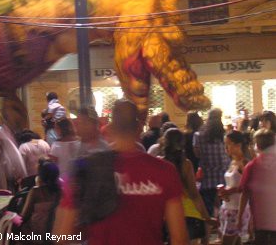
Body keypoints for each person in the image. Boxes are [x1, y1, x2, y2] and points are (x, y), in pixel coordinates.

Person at [53, 99, 189, 245]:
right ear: (139, 128)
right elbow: (179, 238)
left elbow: (61, 236)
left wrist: (86, 233)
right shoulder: (165, 171)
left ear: (109, 129)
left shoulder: (84, 168)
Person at [161, 128, 216, 244]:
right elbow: (194, 194)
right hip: (190, 214)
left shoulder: (159, 164)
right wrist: (206, 217)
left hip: (167, 215)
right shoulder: (186, 164)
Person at [238, 129, 276, 245]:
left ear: (257, 146)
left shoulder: (251, 166)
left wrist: (240, 218)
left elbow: (244, 193)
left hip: (260, 222)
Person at [193, 108, 231, 217]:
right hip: (224, 175)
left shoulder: (198, 136)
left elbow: (197, 154)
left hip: (207, 176)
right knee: (225, 206)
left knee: (207, 208)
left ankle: (209, 230)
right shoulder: (225, 135)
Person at [217, 130, 251, 245]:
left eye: (228, 144)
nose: (226, 148)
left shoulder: (244, 163)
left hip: (238, 208)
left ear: (238, 145)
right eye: (225, 144)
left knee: (227, 241)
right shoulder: (232, 162)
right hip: (228, 206)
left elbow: (248, 187)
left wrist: (231, 190)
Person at [20, 160, 62, 244]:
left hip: (36, 236)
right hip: (54, 235)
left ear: (41, 176)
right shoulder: (60, 192)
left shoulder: (36, 192)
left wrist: (11, 217)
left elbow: (23, 217)